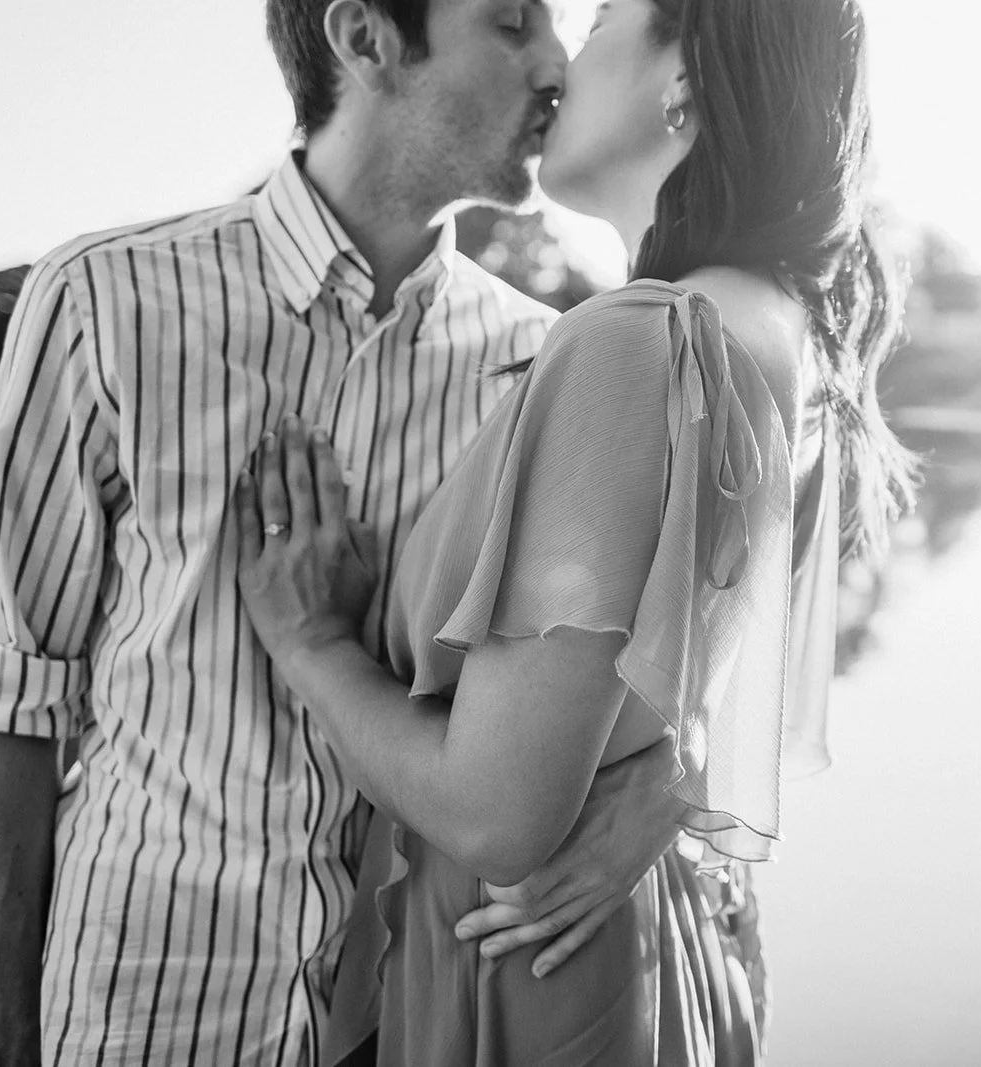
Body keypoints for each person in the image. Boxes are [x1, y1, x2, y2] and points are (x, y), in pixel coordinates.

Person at [0, 1, 692, 1062]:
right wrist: (1, 1039)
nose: (555, 64)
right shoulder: (103, 303)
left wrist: (671, 779)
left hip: (401, 1018)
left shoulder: (542, 363)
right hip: (137, 1012)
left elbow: (660, 650)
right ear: (365, 37)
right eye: (513, 22)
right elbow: (13, 702)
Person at [230, 0, 916, 1061]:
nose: (557, 63)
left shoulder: (638, 339)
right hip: (663, 943)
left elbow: (498, 814)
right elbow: (721, 678)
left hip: (531, 964)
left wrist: (313, 642)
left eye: (599, 21)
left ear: (683, 79)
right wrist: (667, 779)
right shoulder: (782, 329)